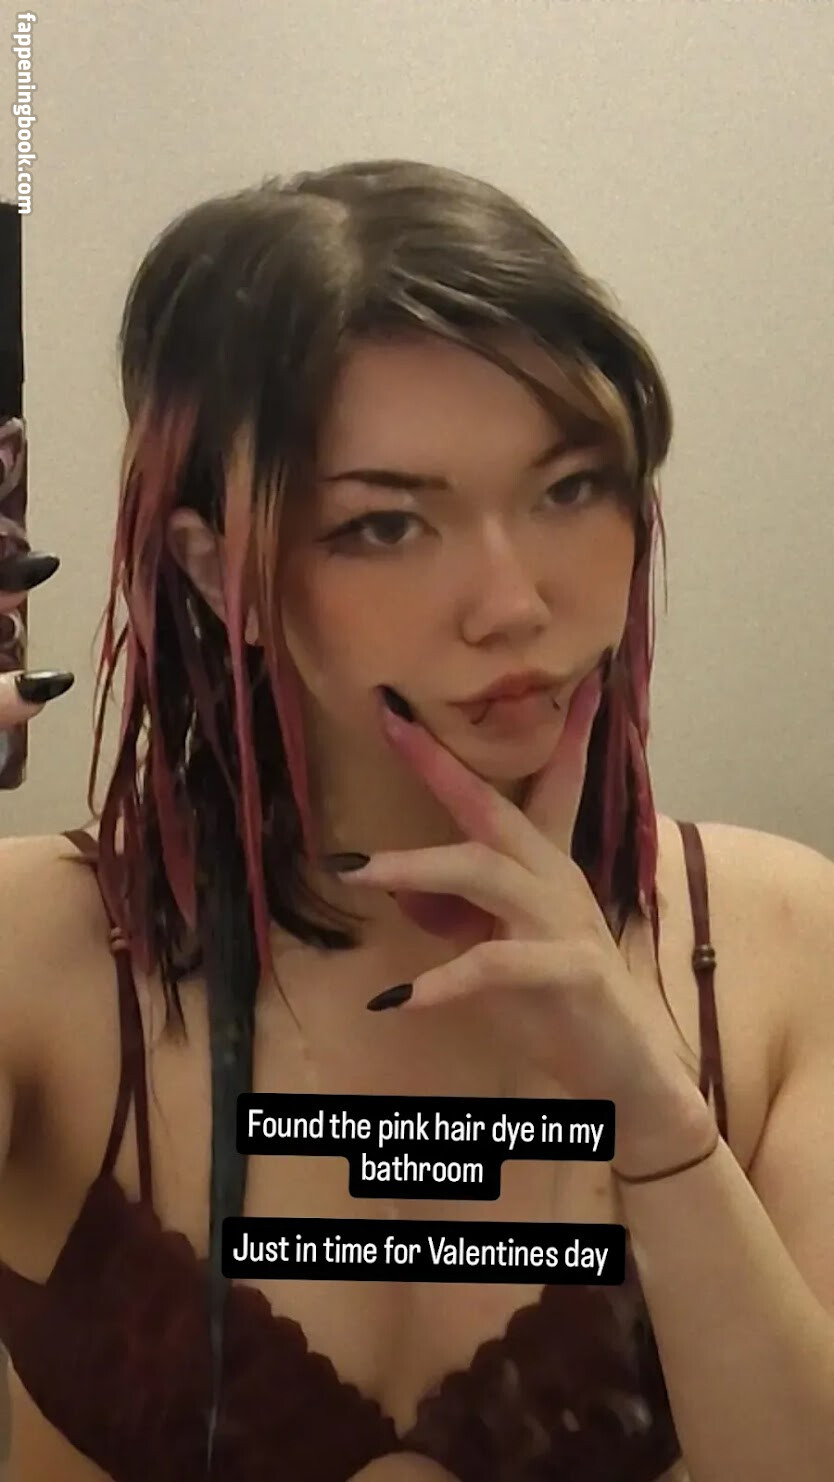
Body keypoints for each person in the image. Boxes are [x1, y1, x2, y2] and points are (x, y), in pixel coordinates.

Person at [0, 158, 832, 1482]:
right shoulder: (40, 954)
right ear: (220, 573)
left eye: (569, 488)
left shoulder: (776, 939)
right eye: (385, 525)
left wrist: (661, 1128)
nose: (513, 604)